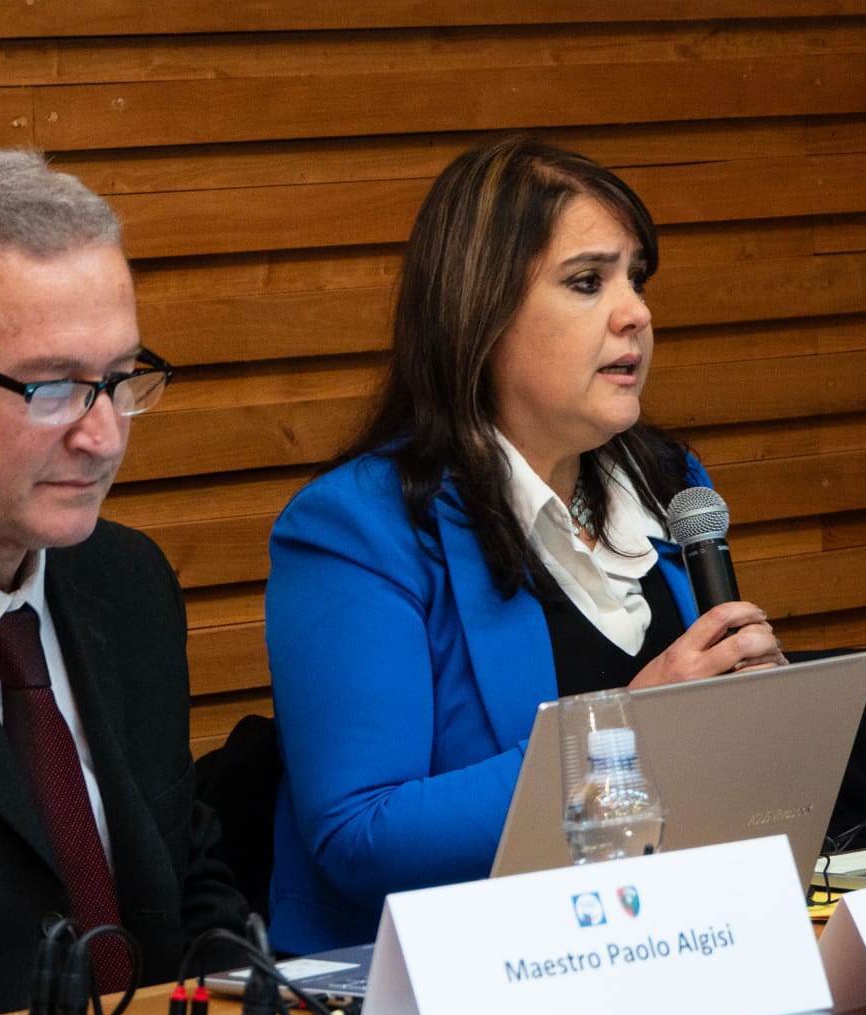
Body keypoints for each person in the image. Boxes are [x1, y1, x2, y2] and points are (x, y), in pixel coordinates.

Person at [266, 137, 784, 954]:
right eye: (588, 282)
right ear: (482, 312)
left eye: (635, 278)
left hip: (668, 941)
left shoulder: (668, 480)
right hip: (454, 986)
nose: (635, 313)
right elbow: (359, 837)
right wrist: (628, 734)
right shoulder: (359, 526)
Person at [0, 148, 245, 1012]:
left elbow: (186, 877)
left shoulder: (125, 584)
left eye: (120, 380)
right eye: (53, 388)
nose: (103, 437)